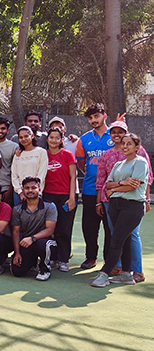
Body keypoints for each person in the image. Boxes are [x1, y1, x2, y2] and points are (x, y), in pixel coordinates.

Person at [95, 122, 152, 283]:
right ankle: (126, 274)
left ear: (137, 147)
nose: (125, 146)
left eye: (129, 144)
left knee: (118, 239)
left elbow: (134, 186)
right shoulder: (118, 164)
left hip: (132, 206)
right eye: (124, 143)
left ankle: (105, 273)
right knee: (123, 238)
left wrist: (115, 189)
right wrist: (121, 183)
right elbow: (107, 184)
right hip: (115, 205)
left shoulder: (140, 162)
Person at [75, 103, 113, 269]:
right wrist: (91, 173)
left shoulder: (115, 135)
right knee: (89, 226)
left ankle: (109, 260)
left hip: (112, 190)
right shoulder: (84, 139)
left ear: (104, 115)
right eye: (90, 118)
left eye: (96, 116)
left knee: (110, 226)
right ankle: (91, 257)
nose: (93, 120)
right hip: (90, 189)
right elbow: (81, 162)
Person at [42, 127, 78, 272]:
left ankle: (63, 259)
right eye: (51, 137)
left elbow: (73, 177)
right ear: (47, 139)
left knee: (64, 229)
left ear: (62, 140)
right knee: (50, 229)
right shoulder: (42, 154)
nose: (54, 140)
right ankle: (51, 257)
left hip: (64, 197)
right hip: (47, 196)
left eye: (57, 138)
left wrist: (72, 198)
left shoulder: (67, 155)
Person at [9, 177, 57, 280]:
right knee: (17, 271)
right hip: (27, 242)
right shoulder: (17, 209)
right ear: (22, 190)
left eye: (33, 188)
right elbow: (16, 232)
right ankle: (33, 262)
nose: (30, 190)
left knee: (42, 244)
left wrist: (32, 238)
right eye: (27, 188)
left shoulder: (50, 206)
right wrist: (17, 253)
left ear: (39, 189)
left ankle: (45, 269)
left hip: (47, 242)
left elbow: (50, 230)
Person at [11, 126, 48, 197]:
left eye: (26, 136)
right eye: (21, 137)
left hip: (35, 192)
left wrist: (33, 188)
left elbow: (42, 174)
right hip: (19, 193)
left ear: (32, 136)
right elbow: (14, 175)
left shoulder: (41, 152)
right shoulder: (18, 154)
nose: (23, 139)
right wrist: (20, 192)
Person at [0, 116, 19, 204]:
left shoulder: (14, 147)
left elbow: (15, 170)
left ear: (8, 130)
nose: (0, 131)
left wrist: (10, 190)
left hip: (6, 188)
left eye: (3, 128)